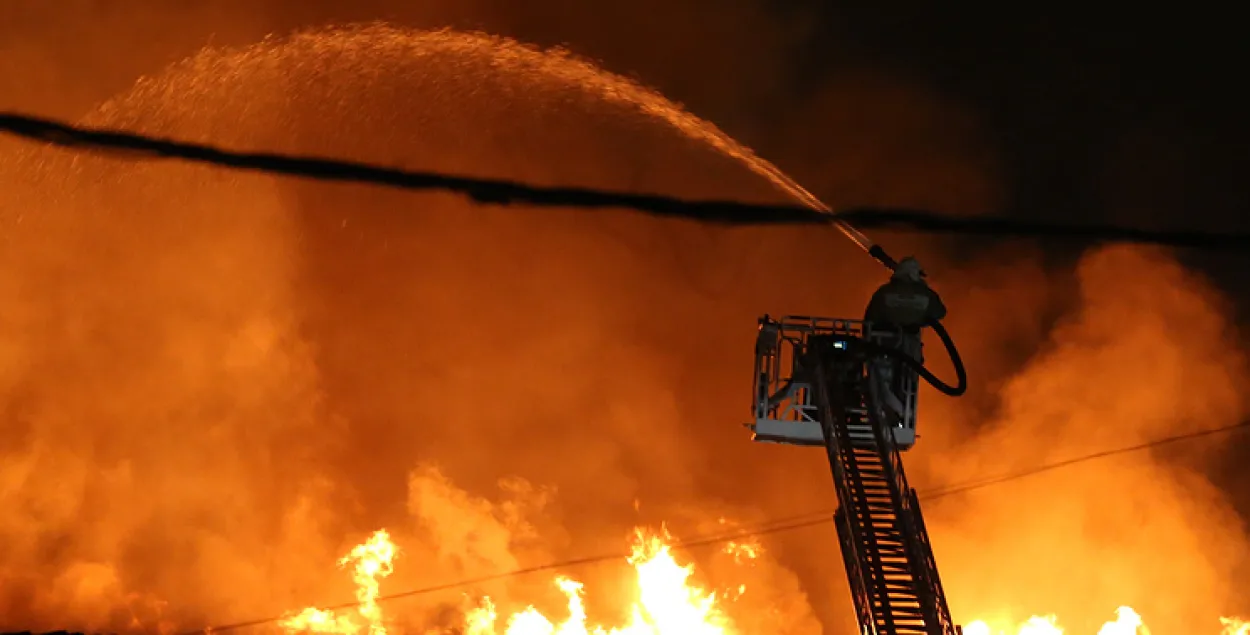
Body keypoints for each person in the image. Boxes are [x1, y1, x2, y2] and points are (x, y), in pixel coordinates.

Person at [862, 256, 947, 426]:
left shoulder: (884, 292)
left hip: (882, 345)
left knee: (880, 380)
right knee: (907, 383)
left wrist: (867, 344)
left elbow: (869, 320)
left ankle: (883, 413)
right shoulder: (926, 295)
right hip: (910, 347)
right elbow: (940, 312)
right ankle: (902, 415)